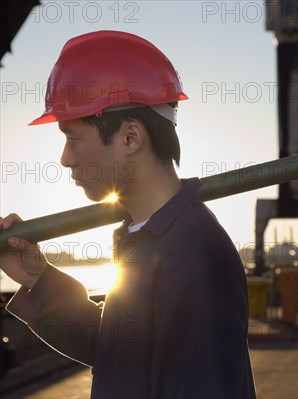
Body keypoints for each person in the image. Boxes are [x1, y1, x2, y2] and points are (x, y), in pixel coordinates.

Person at [0, 30, 256, 398]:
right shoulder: (149, 237)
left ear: (130, 138)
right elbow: (119, 354)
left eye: (72, 138)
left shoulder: (191, 256)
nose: (65, 158)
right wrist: (37, 279)